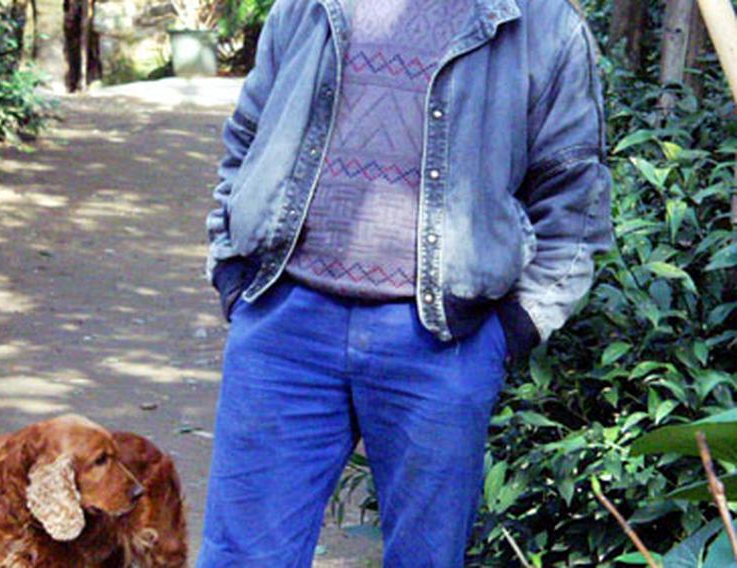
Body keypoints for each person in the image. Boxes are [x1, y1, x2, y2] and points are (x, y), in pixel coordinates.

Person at [199, 0, 612, 566]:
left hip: (443, 344)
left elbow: (575, 197)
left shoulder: (543, 24)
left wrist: (514, 329)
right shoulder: (307, 6)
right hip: (283, 323)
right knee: (243, 557)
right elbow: (247, 135)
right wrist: (230, 266)